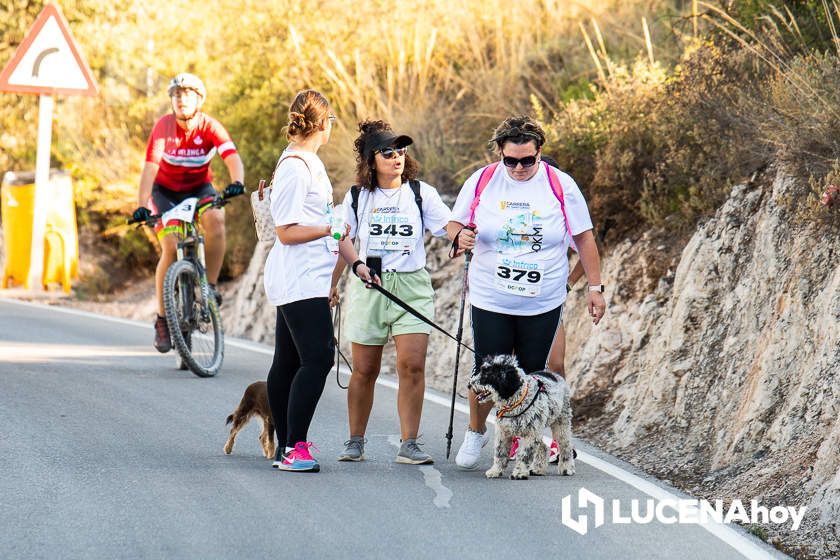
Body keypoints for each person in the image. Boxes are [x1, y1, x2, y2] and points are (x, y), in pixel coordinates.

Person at [445, 115, 606, 470]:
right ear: (500, 153)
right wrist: (459, 235)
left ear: (539, 153)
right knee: (486, 368)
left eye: (528, 160)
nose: (519, 167)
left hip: (542, 299)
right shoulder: (483, 180)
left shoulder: (560, 184)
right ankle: (475, 432)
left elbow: (584, 238)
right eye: (511, 160)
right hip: (491, 295)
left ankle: (526, 443)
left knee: (533, 374)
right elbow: (453, 223)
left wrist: (595, 288)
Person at [263, 89, 374, 473]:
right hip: (298, 278)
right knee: (317, 358)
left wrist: (356, 264)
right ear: (322, 123)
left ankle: (284, 446)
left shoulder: (311, 163)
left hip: (309, 275)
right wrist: (330, 227)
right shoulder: (294, 167)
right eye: (331, 121)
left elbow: (331, 225)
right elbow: (286, 231)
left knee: (289, 360)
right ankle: (294, 447)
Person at [329, 120, 453, 465]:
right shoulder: (357, 196)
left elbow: (448, 226)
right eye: (388, 152)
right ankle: (355, 440)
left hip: (412, 285)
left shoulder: (420, 193)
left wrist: (466, 233)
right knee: (364, 369)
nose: (397, 157)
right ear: (371, 159)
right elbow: (342, 238)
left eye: (401, 150)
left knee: (412, 365)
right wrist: (342, 277)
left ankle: (409, 443)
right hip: (370, 284)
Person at [132, 73, 245, 353]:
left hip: (198, 190)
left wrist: (237, 182)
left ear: (199, 99)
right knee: (170, 247)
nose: (181, 99)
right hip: (165, 193)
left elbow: (232, 157)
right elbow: (150, 168)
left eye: (187, 94)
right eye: (176, 94)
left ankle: (211, 287)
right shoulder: (163, 127)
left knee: (216, 220)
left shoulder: (210, 127)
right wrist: (141, 204)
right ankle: (162, 319)